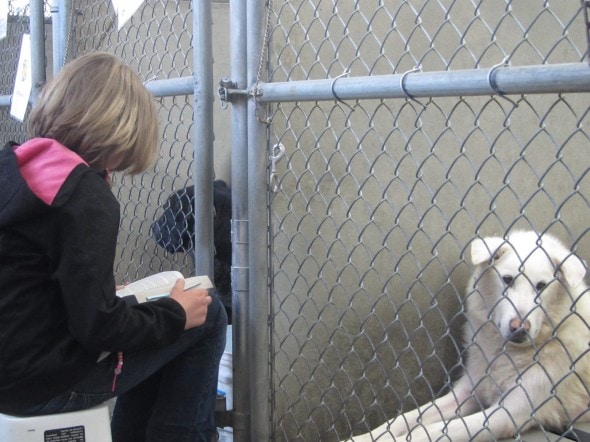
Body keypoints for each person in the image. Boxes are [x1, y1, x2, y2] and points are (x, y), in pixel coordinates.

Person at [0, 52, 228, 442]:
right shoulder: (84, 194)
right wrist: (175, 313)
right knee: (207, 314)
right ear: (118, 130)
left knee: (153, 322)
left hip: (14, 368)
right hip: (41, 387)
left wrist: (111, 298)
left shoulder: (17, 166)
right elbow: (100, 329)